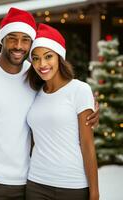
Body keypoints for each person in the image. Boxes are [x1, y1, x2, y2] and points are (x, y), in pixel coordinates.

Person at [0, 7, 99, 200]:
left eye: (26, 40)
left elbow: (60, 98)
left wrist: (89, 112)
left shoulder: (34, 75)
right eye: (12, 38)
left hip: (27, 184)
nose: (19, 45)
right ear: (2, 39)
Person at [26, 23, 99, 200]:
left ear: (59, 57)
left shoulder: (79, 90)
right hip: (36, 183)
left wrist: (95, 192)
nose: (41, 64)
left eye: (48, 56)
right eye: (35, 58)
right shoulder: (34, 93)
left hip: (72, 185)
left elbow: (88, 145)